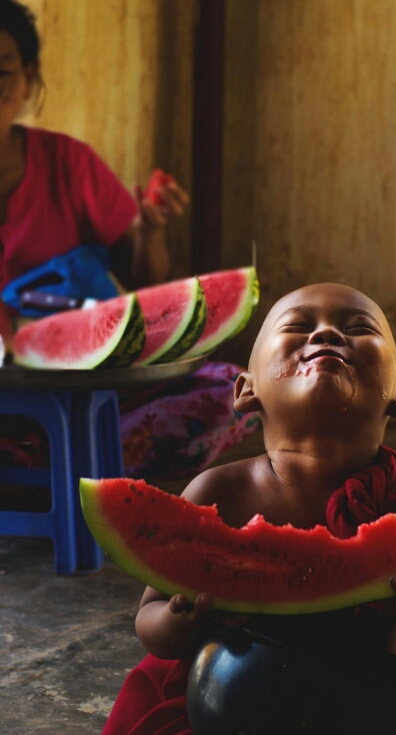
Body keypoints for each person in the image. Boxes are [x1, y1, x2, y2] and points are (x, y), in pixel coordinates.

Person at [102, 282, 396, 734]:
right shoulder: (219, 491)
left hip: (366, 707)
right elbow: (149, 620)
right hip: (230, 705)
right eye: (298, 326)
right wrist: (181, 620)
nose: (327, 334)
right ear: (245, 390)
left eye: (357, 328)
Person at [0, 0, 259, 480]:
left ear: (29, 79)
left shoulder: (69, 164)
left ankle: (44, 461)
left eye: (1, 72)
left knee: (233, 389)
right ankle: (75, 464)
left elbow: (145, 282)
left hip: (90, 394)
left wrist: (150, 229)